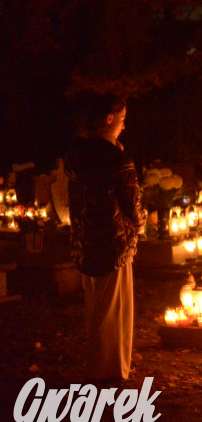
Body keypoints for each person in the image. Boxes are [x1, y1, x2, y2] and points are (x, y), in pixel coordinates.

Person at [65, 93, 145, 385]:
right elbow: (131, 202)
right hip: (113, 239)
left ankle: (101, 364)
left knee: (97, 305)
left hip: (86, 239)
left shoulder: (76, 155)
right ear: (109, 119)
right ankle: (109, 368)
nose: (124, 126)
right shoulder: (114, 158)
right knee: (115, 305)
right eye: (122, 119)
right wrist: (140, 224)